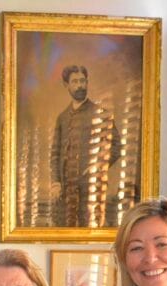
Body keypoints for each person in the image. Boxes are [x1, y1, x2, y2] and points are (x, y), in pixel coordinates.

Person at [50, 64, 122, 228]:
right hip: (66, 192)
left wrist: (98, 166)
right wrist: (55, 182)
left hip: (91, 190)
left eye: (82, 81)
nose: (80, 85)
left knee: (89, 228)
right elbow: (55, 153)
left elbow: (116, 145)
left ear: (87, 82)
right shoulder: (62, 118)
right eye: (75, 82)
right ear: (66, 85)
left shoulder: (100, 113)